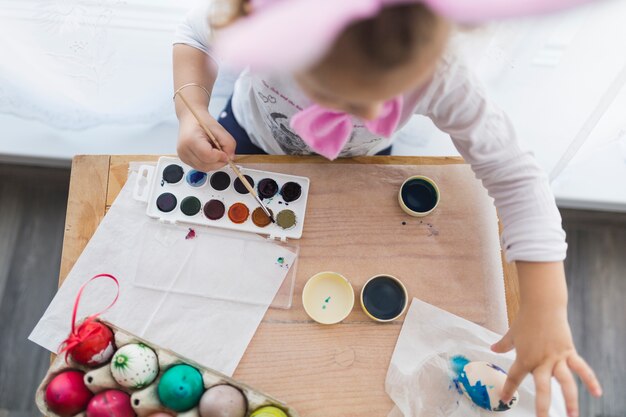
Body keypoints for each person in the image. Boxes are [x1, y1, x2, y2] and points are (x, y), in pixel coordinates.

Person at [172, 1, 602, 416]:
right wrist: (191, 112)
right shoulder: (261, 19)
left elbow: (516, 174)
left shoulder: (440, 71)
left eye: (391, 96)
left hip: (364, 163)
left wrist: (547, 304)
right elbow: (194, 35)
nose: (375, 112)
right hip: (251, 143)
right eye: (343, 97)